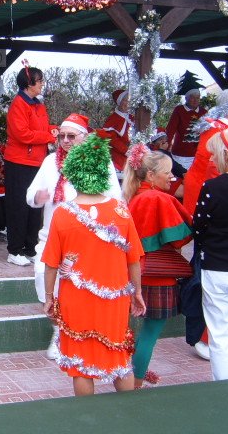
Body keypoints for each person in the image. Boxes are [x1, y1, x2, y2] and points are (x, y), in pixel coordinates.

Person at [42, 134, 146, 396]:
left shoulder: (63, 214)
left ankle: (88, 416)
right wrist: (137, 292)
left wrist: (49, 297)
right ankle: (129, 412)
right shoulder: (121, 211)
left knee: (81, 366)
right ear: (103, 172)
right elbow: (133, 259)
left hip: (75, 300)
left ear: (73, 173)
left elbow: (51, 264)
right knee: (119, 358)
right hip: (114, 299)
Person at [28, 113, 121, 360]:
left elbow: (115, 198)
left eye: (71, 136)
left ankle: (75, 335)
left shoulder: (100, 161)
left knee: (78, 288)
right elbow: (30, 194)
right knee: (43, 278)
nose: (66, 141)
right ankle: (59, 331)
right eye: (62, 136)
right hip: (51, 236)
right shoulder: (50, 161)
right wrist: (37, 197)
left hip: (86, 238)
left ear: (85, 137)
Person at [123, 144, 193, 389]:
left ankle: (130, 378)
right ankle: (135, 384)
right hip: (159, 275)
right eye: (167, 173)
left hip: (134, 273)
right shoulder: (160, 199)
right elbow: (180, 238)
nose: (171, 178)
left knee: (140, 334)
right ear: (151, 175)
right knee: (149, 334)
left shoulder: (133, 198)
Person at [4, 62, 57, 267]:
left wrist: (54, 130)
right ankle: (14, 250)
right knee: (19, 206)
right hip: (19, 162)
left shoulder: (39, 104)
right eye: (39, 81)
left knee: (36, 205)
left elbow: (42, 128)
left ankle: (30, 248)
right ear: (29, 84)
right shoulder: (18, 104)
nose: (42, 84)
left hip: (38, 161)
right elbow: (22, 134)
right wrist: (48, 137)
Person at [193, 128, 228, 381]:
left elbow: (199, 226)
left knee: (219, 333)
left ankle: (222, 387)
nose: (212, 158)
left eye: (215, 153)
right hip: (216, 265)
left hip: (216, 266)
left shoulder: (212, 187)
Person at [166, 71, 207, 170]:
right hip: (180, 154)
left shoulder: (204, 112)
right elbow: (170, 130)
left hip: (199, 154)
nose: (195, 100)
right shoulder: (179, 110)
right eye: (192, 97)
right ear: (186, 98)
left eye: (198, 98)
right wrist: (165, 148)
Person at [97, 89, 133, 171]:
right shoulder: (113, 119)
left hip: (132, 155)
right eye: (125, 100)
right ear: (119, 102)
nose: (128, 103)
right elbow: (111, 139)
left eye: (129, 101)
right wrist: (127, 150)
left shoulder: (132, 117)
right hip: (118, 157)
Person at [147, 129, 186, 198]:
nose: (168, 144)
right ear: (162, 143)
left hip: (163, 178)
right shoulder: (160, 154)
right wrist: (184, 172)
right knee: (188, 191)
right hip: (164, 180)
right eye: (166, 142)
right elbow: (174, 166)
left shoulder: (153, 152)